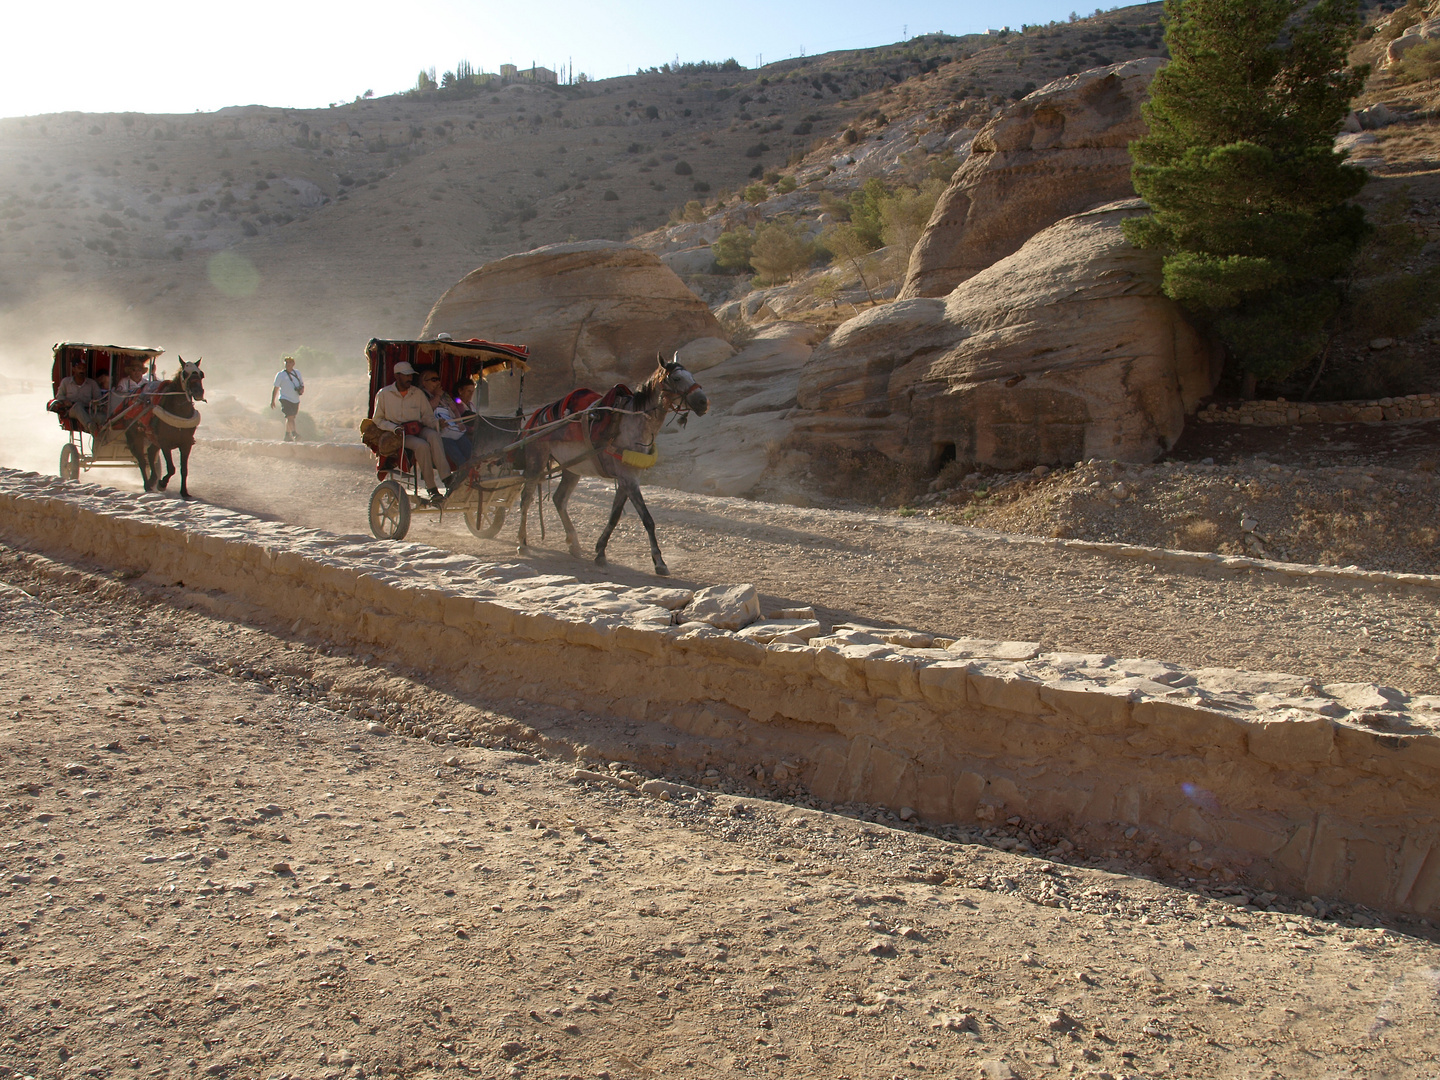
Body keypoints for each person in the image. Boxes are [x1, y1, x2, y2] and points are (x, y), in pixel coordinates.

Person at [371, 360, 449, 504]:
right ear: (397, 376)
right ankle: (432, 489)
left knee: (433, 435)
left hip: (418, 428)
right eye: (406, 376)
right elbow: (378, 420)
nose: (409, 378)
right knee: (421, 446)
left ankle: (447, 478)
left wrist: (437, 424)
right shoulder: (384, 394)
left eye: (411, 375)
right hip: (400, 434)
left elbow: (426, 416)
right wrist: (394, 428)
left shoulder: (417, 393)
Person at [423, 369, 473, 471]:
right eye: (434, 380)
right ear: (424, 382)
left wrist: (459, 422)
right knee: (448, 443)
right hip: (435, 428)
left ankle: (475, 466)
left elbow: (454, 408)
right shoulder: (421, 395)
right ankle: (463, 469)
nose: (438, 382)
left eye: (438, 379)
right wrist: (437, 395)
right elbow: (428, 407)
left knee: (465, 442)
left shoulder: (444, 394)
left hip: (451, 425)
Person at [55, 357, 102, 432]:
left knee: (102, 417)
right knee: (78, 406)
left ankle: (101, 441)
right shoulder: (66, 382)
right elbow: (59, 396)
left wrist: (95, 402)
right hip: (72, 410)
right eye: (79, 368)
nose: (81, 371)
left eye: (83, 368)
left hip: (88, 410)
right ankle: (89, 425)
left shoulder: (92, 383)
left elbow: (98, 398)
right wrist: (65, 401)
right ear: (74, 369)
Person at [269, 355, 305, 442]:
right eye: (286, 362)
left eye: (289, 362)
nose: (287, 364)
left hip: (295, 399)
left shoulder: (297, 373)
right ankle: (294, 433)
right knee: (290, 417)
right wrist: (272, 400)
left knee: (290, 418)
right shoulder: (280, 375)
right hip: (285, 398)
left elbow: (302, 384)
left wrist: (301, 390)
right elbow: (276, 388)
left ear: (293, 364)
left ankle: (287, 435)